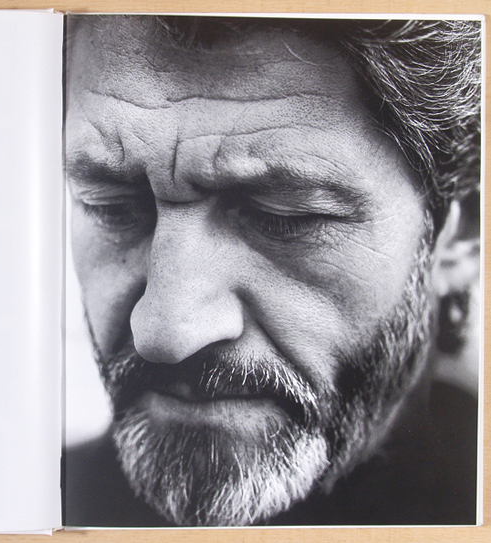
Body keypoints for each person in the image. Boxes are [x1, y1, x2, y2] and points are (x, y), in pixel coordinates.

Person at [63, 15, 481, 527]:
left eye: (284, 218)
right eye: (112, 207)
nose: (166, 334)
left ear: (462, 233)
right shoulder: (20, 509)